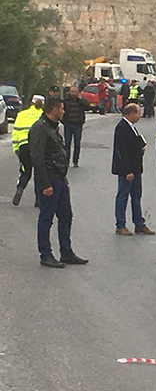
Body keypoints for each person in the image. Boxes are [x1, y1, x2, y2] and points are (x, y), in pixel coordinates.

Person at [29, 97, 88, 268]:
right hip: (49, 180)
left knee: (66, 215)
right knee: (46, 218)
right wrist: (46, 184)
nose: (63, 111)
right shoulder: (40, 129)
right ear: (54, 109)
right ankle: (45, 254)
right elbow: (37, 159)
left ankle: (66, 252)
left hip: (60, 179)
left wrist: (64, 179)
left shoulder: (53, 127)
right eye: (62, 109)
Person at [112, 103, 156, 236]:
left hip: (136, 168)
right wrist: (127, 171)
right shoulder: (122, 127)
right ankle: (120, 225)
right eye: (138, 113)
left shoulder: (132, 127)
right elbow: (122, 151)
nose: (140, 116)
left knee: (136, 196)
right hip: (127, 170)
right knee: (123, 196)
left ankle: (139, 224)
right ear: (130, 114)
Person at [12, 95, 44, 206]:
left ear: (31, 102)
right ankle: (38, 199)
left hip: (24, 145)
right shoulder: (43, 115)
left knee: (25, 171)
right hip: (38, 147)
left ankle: (20, 188)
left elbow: (15, 132)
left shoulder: (21, 114)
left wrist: (16, 148)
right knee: (39, 173)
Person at [62, 85, 90, 168]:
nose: (73, 93)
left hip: (78, 125)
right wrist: (63, 121)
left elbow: (87, 107)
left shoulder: (81, 101)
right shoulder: (65, 100)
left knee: (77, 143)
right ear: (69, 92)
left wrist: (81, 99)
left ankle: (75, 161)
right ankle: (66, 161)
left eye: (75, 92)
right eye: (72, 92)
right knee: (67, 143)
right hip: (68, 124)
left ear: (78, 92)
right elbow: (62, 111)